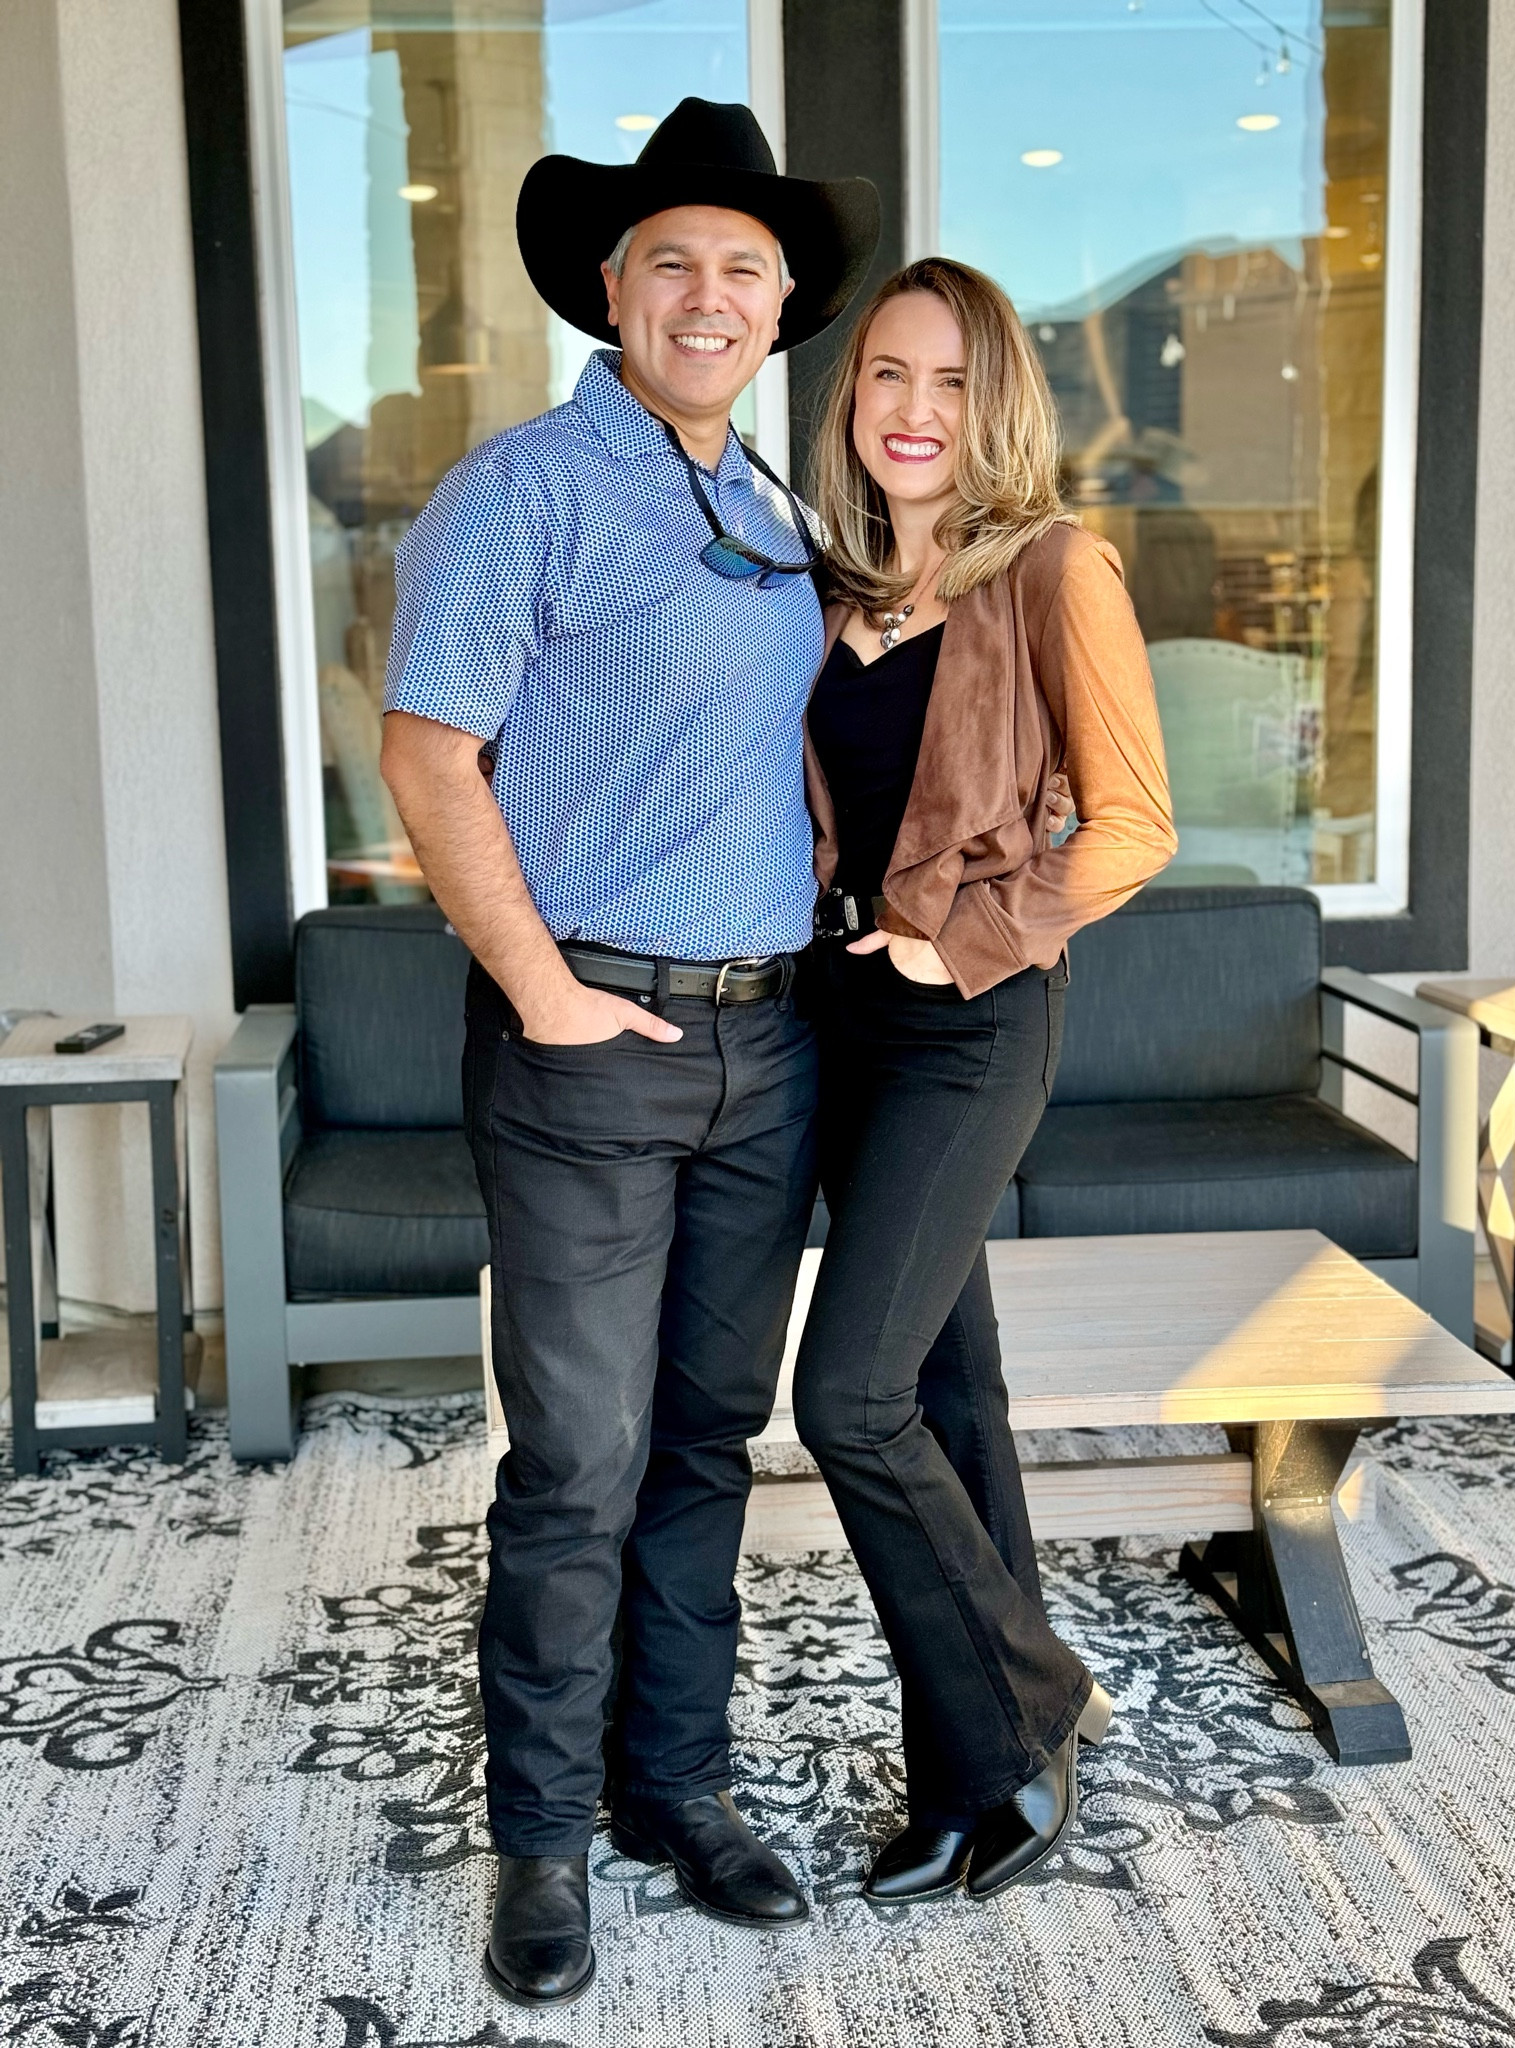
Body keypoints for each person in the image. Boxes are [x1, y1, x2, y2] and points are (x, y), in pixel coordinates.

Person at [378, 100, 880, 2008]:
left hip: (771, 1045)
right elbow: (433, 755)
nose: (710, 292)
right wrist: (545, 990)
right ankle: (542, 1840)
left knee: (703, 1448)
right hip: (590, 1040)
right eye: (674, 257)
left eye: (745, 269)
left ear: (776, 315)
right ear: (610, 286)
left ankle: (675, 1784)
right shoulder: (520, 491)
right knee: (576, 1464)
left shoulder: (768, 509)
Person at [792, 256, 1177, 1903]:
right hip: (830, 1028)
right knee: (950, 1399)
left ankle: (1034, 1705)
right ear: (851, 392)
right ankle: (977, 1772)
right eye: (887, 375)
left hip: (969, 1025)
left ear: (996, 399)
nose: (914, 411)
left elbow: (1140, 826)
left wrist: (979, 936)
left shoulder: (1053, 570)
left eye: (949, 382)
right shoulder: (821, 582)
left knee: (846, 1399)